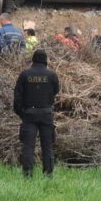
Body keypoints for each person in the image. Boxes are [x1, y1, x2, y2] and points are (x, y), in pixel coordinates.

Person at [13, 49, 60, 178]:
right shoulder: (52, 75)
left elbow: (17, 96)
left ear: (33, 59)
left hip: (29, 113)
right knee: (47, 146)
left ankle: (27, 174)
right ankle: (48, 174)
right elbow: (56, 90)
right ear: (46, 60)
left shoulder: (25, 74)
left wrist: (21, 112)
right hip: (46, 113)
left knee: (28, 146)